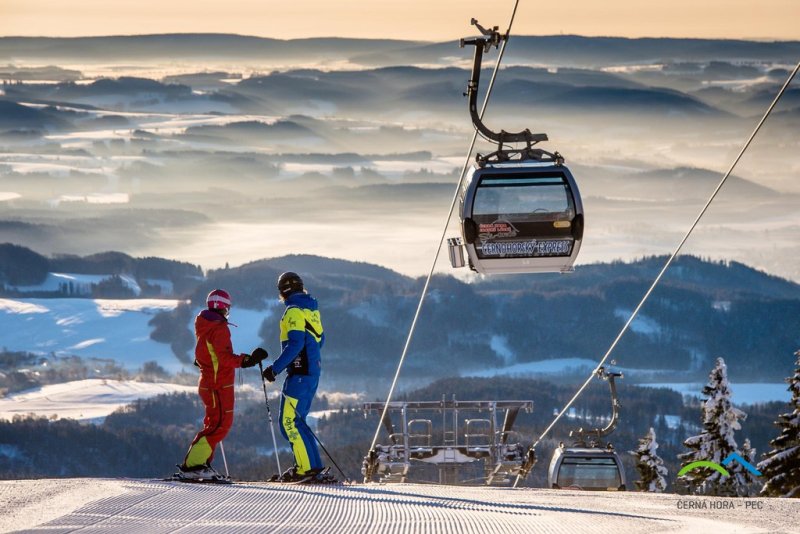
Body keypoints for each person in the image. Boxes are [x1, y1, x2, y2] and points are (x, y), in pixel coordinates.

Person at [174, 288, 267, 481]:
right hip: (218, 385)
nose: (228, 311)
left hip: (211, 383)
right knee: (220, 425)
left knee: (214, 424)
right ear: (223, 307)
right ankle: (193, 466)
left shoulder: (205, 325)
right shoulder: (218, 328)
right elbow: (224, 358)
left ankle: (201, 464)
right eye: (227, 308)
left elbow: (207, 354)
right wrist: (247, 360)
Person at [261, 272, 332, 483]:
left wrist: (275, 369)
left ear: (283, 291)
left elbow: (295, 344)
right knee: (298, 422)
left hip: (300, 375)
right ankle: (310, 466)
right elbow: (320, 340)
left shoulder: (293, 311)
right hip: (311, 373)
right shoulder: (311, 310)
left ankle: (305, 469)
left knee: (289, 423)